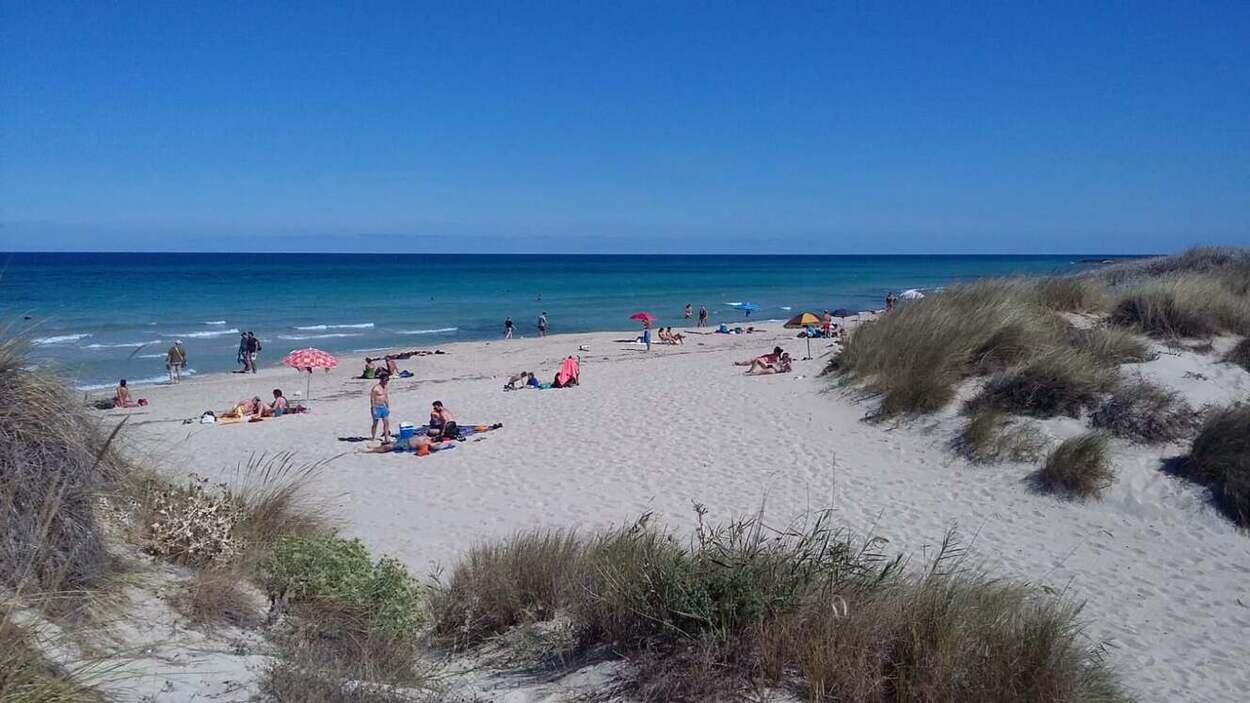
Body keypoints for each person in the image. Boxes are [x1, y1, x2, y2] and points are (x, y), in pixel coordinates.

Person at [370, 373, 391, 441]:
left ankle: (386, 438)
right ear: (381, 380)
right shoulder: (375, 388)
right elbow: (372, 399)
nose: (386, 382)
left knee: (386, 423)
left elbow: (386, 397)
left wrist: (387, 406)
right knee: (375, 423)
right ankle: (373, 437)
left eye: (387, 380)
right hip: (377, 407)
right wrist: (374, 409)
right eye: (385, 380)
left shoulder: (385, 387)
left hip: (383, 407)